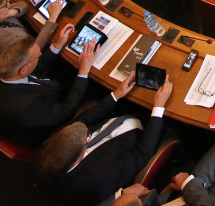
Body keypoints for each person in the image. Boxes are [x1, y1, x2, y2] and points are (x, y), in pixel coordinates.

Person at [35, 75, 173, 206]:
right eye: (87, 137)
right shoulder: (101, 178)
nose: (87, 132)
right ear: (80, 155)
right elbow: (141, 155)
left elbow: (82, 121)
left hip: (118, 115)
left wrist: (116, 94)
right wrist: (158, 107)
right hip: (142, 133)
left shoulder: (50, 151)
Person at [0, 31, 97, 147]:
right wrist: (84, 71)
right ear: (23, 70)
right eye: (38, 57)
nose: (40, 55)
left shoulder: (1, 72)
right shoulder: (26, 107)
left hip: (39, 96)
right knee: (95, 94)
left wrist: (57, 45)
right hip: (40, 131)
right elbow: (66, 110)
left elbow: (35, 68)